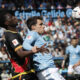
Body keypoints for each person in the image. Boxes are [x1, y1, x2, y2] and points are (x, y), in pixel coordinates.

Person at [0, 11, 39, 80]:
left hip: (27, 72)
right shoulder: (11, 36)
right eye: (11, 17)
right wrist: (33, 50)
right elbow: (20, 53)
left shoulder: (13, 34)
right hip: (22, 74)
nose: (15, 17)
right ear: (7, 23)